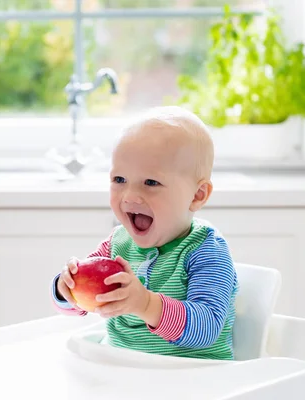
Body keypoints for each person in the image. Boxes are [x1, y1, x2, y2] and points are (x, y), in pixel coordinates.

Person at [50, 106, 238, 360]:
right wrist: (67, 289)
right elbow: (83, 304)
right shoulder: (116, 245)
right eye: (119, 180)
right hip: (125, 373)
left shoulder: (205, 250)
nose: (129, 196)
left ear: (197, 195)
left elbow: (207, 327)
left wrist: (146, 304)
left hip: (194, 381)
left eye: (151, 182)